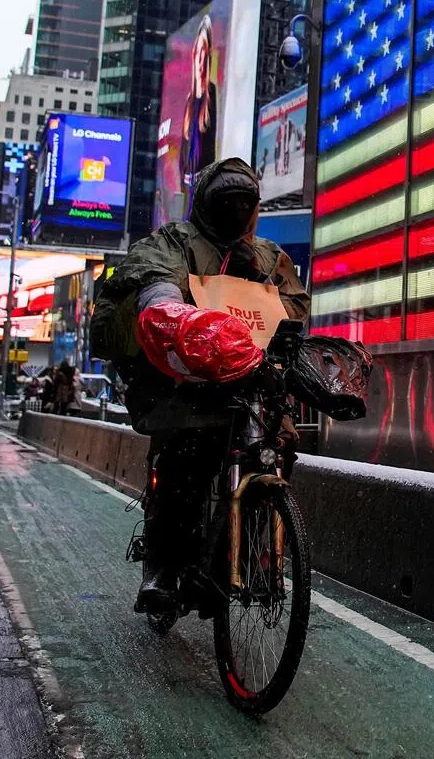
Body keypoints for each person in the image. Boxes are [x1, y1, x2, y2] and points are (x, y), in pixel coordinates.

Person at [91, 158, 309, 615]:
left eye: (242, 203)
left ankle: (255, 555)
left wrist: (266, 299)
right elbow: (150, 277)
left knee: (276, 448)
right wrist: (173, 311)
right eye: (225, 201)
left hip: (251, 384)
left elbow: (294, 307)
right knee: (184, 462)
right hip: (187, 382)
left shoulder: (270, 256)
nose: (234, 210)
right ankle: (163, 567)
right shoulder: (174, 241)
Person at [178, 15, 218, 220]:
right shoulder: (189, 101)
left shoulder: (211, 94)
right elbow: (182, 156)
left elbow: (210, 150)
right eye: (198, 53)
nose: (201, 60)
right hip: (187, 188)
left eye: (205, 53)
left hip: (203, 192)